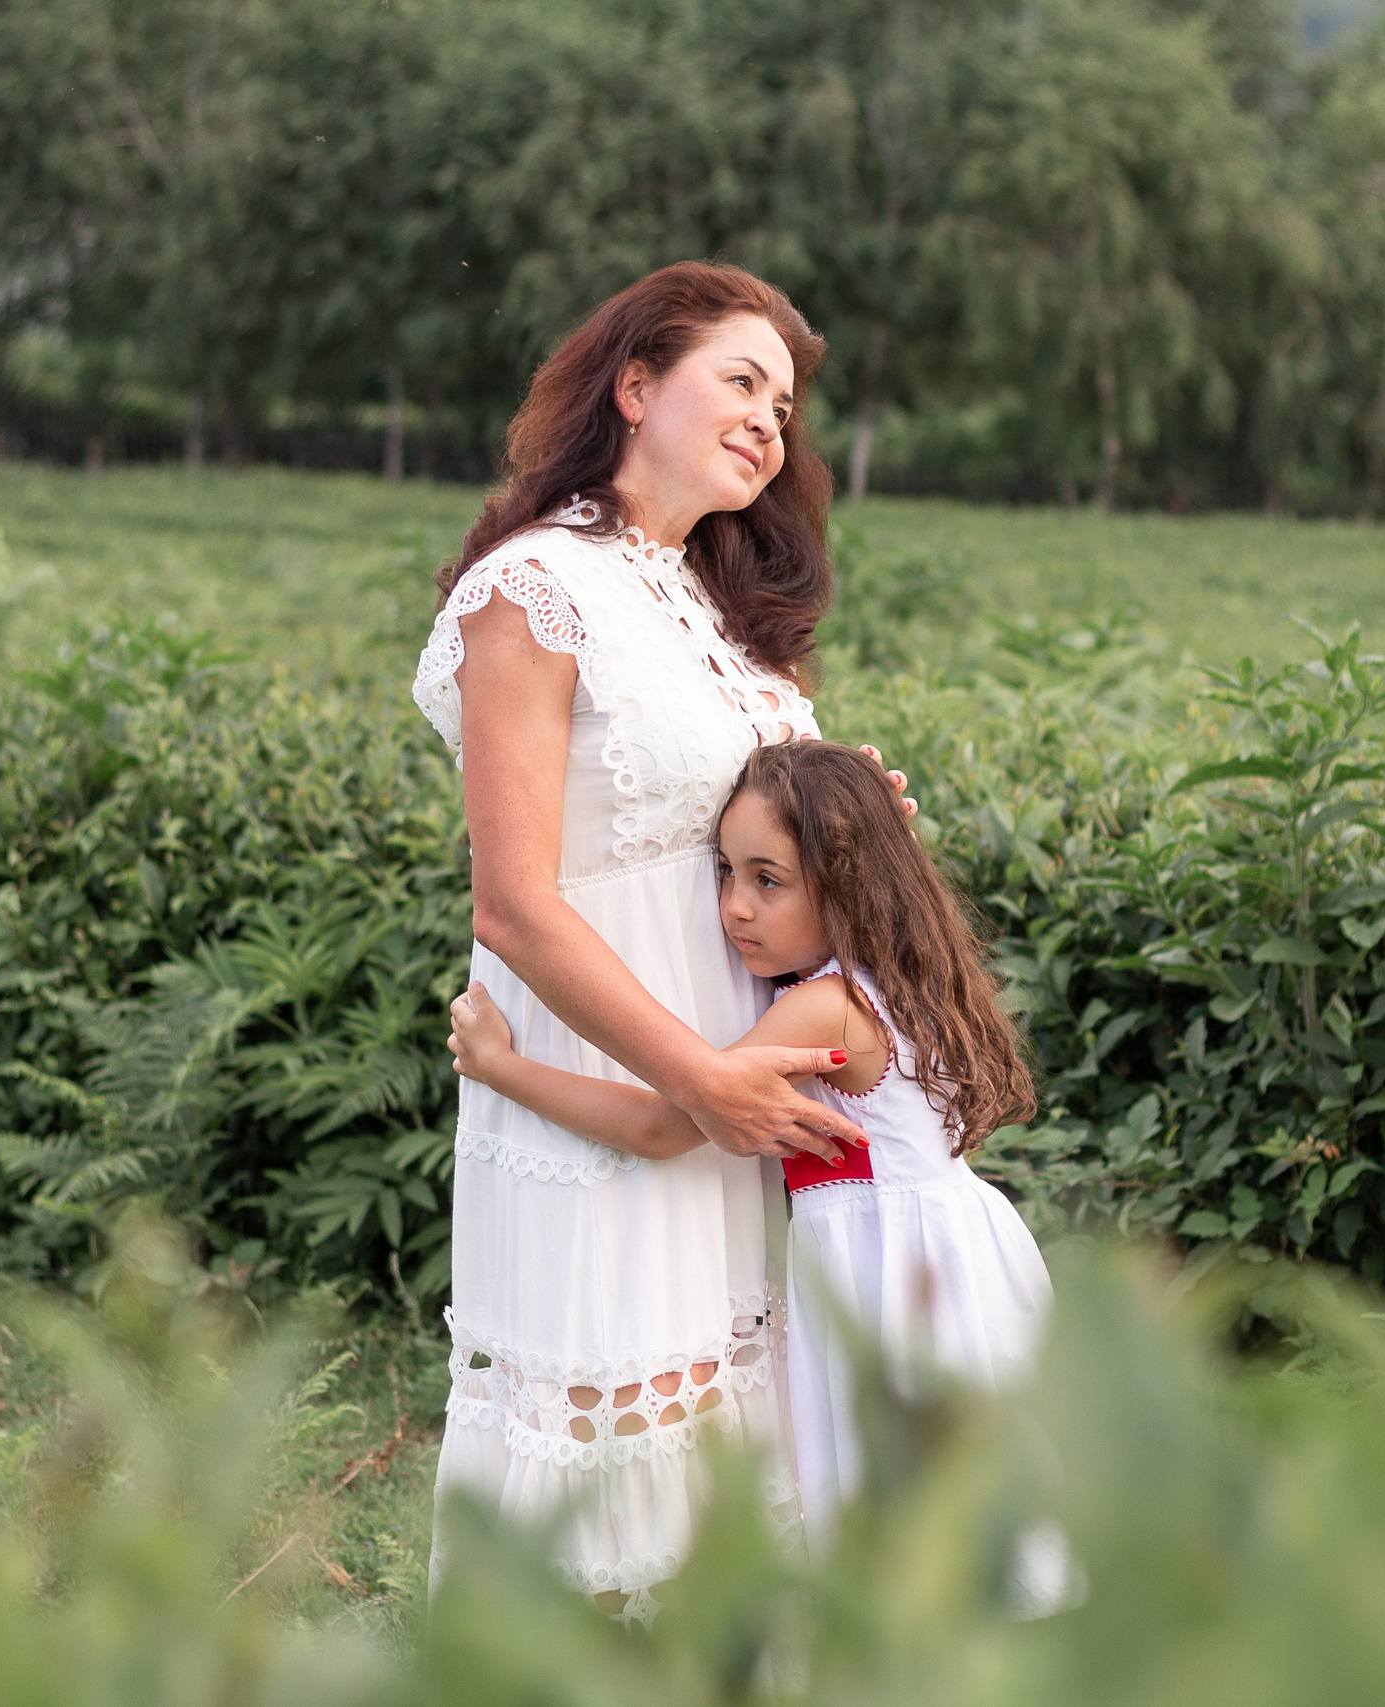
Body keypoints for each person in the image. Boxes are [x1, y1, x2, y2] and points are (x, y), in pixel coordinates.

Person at [410, 262, 911, 1620]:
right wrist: (696, 1073)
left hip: (728, 1093)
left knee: (722, 1488)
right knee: (592, 1493)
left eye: (787, 403)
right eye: (740, 380)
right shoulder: (537, 588)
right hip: (616, 1068)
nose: (770, 420)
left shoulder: (717, 612)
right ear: (636, 386)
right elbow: (514, 900)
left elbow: (737, 842)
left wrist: (844, 817)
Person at [448, 739, 1053, 1563]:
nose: (734, 906)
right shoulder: (902, 976)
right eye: (725, 873)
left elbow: (665, 1127)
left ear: (846, 882)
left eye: (768, 880)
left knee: (908, 1520)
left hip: (893, 1284)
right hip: (958, 1254)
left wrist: (505, 1068)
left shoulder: (826, 1008)